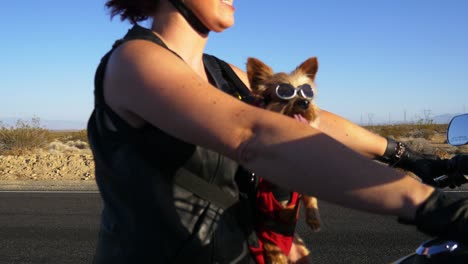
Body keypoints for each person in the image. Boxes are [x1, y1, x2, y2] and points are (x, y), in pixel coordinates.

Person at [87, 0, 468, 263]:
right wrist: (426, 204)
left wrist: (409, 157)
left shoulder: (219, 72)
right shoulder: (135, 62)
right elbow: (254, 135)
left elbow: (315, 123)